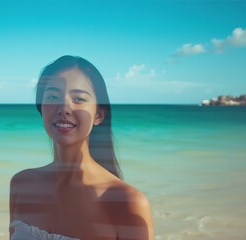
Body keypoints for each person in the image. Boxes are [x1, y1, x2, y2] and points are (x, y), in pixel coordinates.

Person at [9, 55, 154, 240]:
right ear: (41, 108)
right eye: (53, 96)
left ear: (98, 115)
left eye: (78, 98)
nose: (64, 108)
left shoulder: (126, 203)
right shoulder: (22, 185)